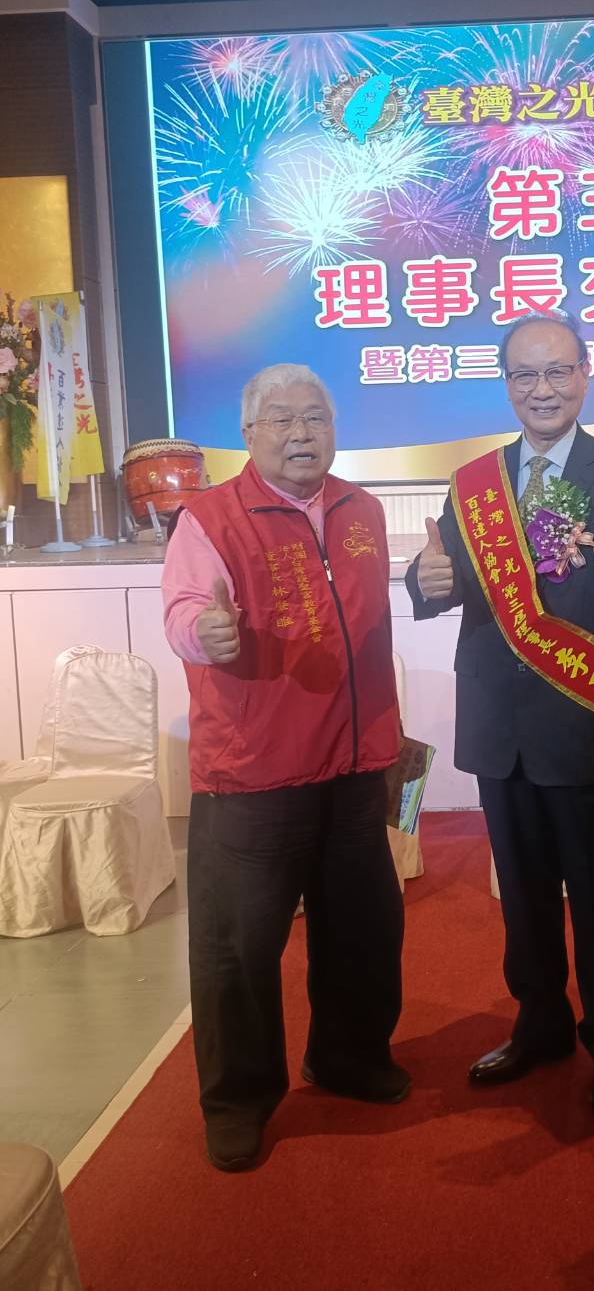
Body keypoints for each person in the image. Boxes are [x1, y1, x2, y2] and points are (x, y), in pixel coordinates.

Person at [406, 312, 594, 1130]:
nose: (543, 388)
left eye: (558, 370)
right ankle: (540, 1023)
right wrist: (424, 580)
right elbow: (445, 580)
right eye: (525, 374)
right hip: (501, 728)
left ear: (586, 372)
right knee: (523, 899)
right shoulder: (474, 483)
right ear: (506, 383)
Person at [162, 363, 406, 1172]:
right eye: (282, 420)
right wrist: (206, 633)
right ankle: (238, 1100)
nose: (301, 433)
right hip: (254, 773)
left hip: (353, 762)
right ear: (249, 434)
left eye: (316, 417)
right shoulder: (211, 517)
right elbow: (184, 608)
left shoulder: (362, 508)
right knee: (238, 949)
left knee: (365, 929)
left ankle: (348, 1056)